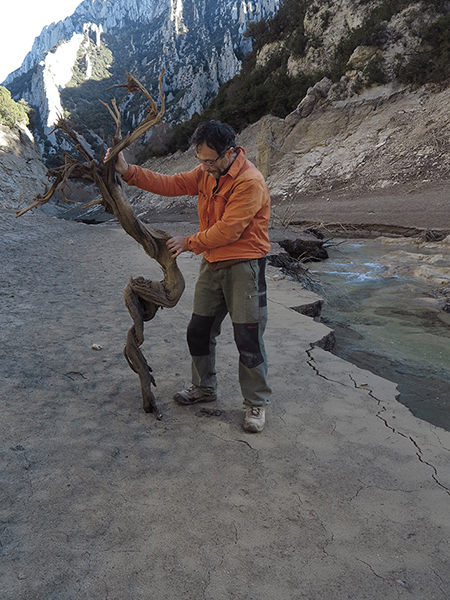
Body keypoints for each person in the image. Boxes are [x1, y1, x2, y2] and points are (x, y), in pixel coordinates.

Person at [112, 120, 271, 432]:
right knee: (198, 331)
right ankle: (204, 388)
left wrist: (189, 243)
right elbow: (170, 184)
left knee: (248, 338)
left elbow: (230, 229)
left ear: (230, 152)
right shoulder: (205, 173)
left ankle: (256, 403)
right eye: (200, 161)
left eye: (209, 161)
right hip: (213, 266)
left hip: (244, 268)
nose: (204, 167)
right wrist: (128, 171)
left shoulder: (250, 181)